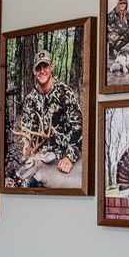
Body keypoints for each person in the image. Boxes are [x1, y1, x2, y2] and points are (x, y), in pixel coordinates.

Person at [17, 50, 81, 178]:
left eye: (45, 66)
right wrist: (26, 144)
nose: (42, 71)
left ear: (51, 66)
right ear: (34, 72)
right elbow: (25, 128)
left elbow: (79, 127)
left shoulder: (65, 93)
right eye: (38, 68)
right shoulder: (30, 100)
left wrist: (70, 156)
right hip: (39, 159)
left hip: (61, 159)